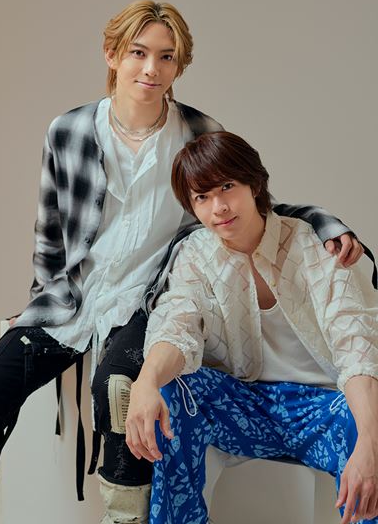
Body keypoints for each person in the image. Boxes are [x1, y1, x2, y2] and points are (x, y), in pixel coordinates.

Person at [0, 0, 364, 524]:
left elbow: (248, 202)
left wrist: (323, 222)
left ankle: (128, 516)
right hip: (75, 301)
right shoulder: (68, 131)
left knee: (118, 390)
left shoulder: (200, 132)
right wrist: (39, 303)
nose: (151, 69)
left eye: (166, 57)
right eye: (138, 53)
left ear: (180, 65)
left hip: (148, 299)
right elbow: (49, 231)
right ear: (112, 54)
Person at [126, 131, 378, 524]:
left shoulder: (315, 243)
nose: (219, 208)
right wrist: (145, 382)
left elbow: (355, 344)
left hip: (321, 408)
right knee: (172, 389)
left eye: (228, 187)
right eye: (202, 197)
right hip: (244, 406)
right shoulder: (195, 254)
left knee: (369, 424)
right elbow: (177, 324)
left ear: (254, 184)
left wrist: (370, 443)